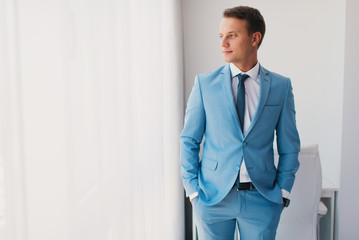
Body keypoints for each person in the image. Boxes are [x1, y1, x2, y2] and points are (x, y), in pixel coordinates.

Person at [180, 6, 300, 240]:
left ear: (255, 38)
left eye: (232, 35)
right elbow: (189, 139)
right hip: (212, 199)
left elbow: (290, 145)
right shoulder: (205, 84)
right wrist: (193, 191)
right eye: (221, 36)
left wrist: (283, 191)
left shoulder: (280, 86)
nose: (223, 43)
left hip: (262, 200)